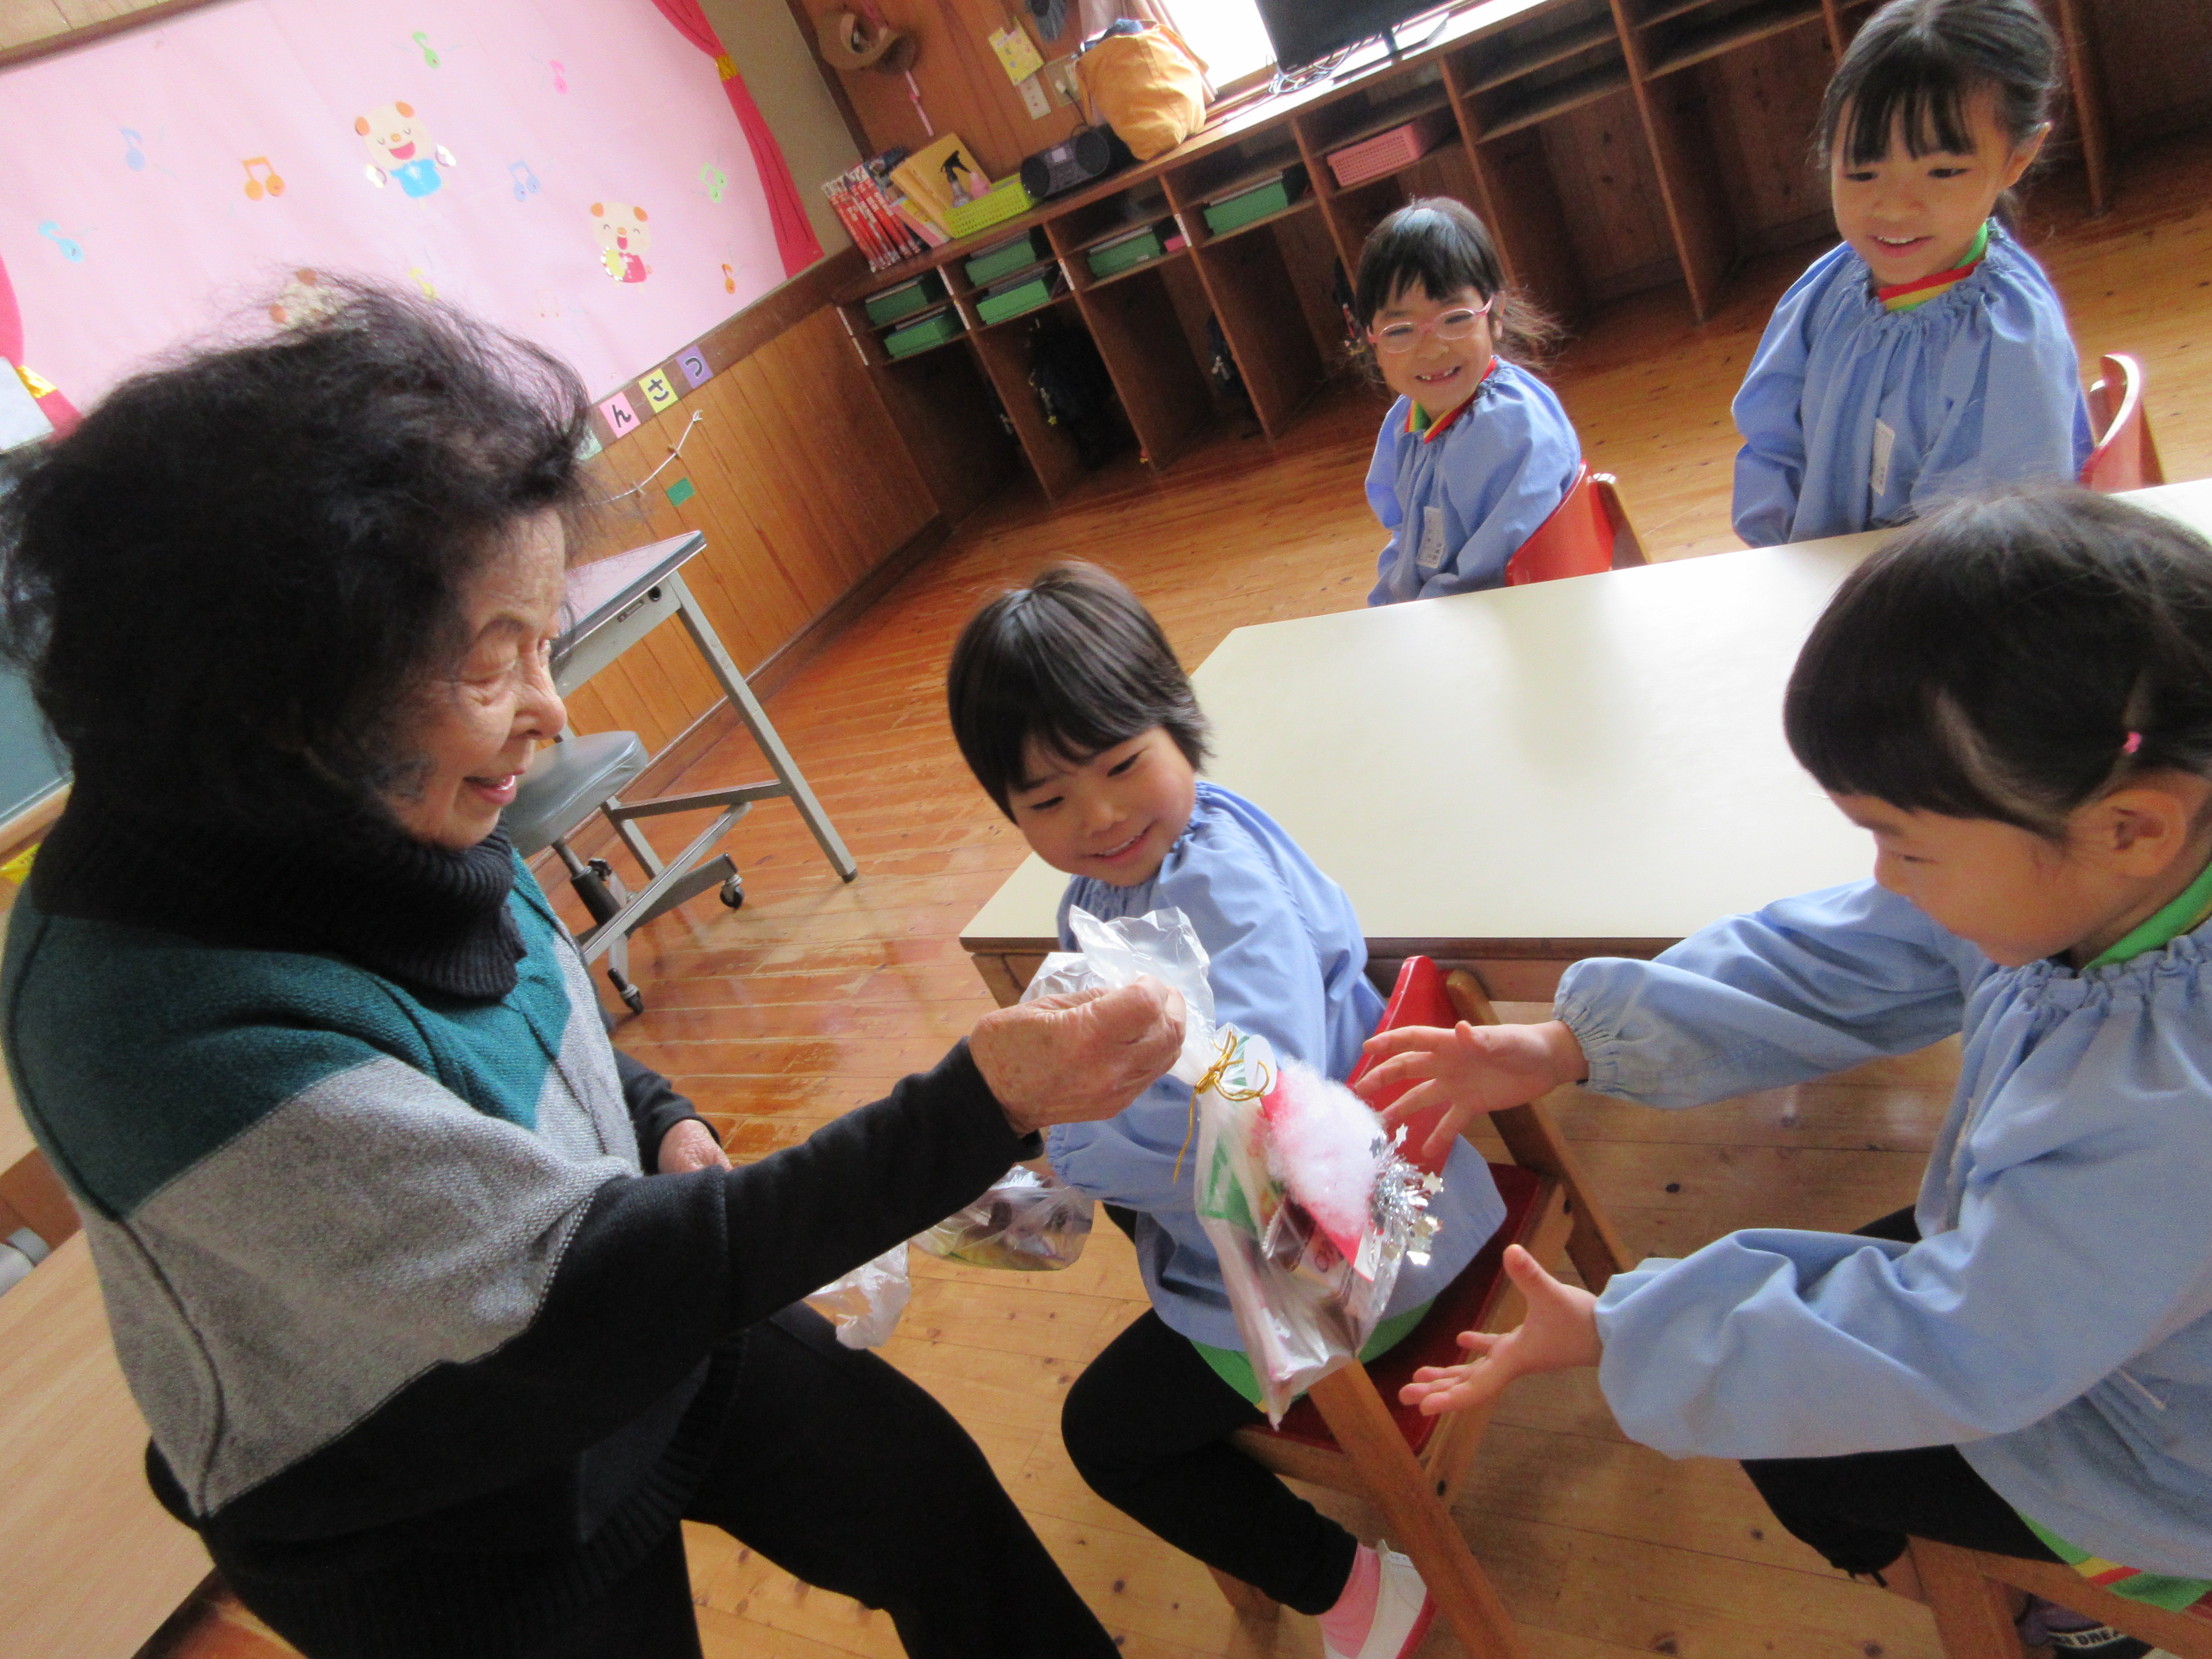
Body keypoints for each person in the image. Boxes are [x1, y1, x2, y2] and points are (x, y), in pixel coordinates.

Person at [0, 288, 1187, 1659]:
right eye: (494, 661)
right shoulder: (148, 1026)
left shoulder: (372, 806)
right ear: (291, 693)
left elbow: (522, 1016)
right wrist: (982, 1104)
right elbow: (571, 1289)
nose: (551, 713)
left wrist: (653, 1112)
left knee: (931, 1505)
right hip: (439, 1515)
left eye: (542, 641)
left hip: (640, 1322)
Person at [1358, 487, 2212, 1659]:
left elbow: (1966, 1343)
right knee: (1802, 1321)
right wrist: (1571, 1041)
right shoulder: (2113, 879)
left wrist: (1624, 1332)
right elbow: (1843, 954)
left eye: (1905, 844)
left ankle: (2087, 1616)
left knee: (1792, 1447)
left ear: (2132, 827)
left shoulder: (2170, 1110)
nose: (1886, 875)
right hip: (2072, 1305)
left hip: (2161, 1446)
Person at [945, 563, 1506, 1659]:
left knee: (1103, 1436)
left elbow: (1259, 1104)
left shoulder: (1215, 888)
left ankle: (1361, 1591)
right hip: (1388, 1199)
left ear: (1177, 722)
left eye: (1121, 765)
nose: (1101, 816)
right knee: (1040, 1189)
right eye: (1048, 801)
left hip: (1355, 1264)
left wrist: (1075, 1149)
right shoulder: (1160, 855)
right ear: (1008, 810)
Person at [1732, 0, 2090, 547]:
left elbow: (1985, 549)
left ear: (2017, 159)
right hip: (1823, 574)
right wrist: (1779, 552)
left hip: (1945, 589)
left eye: (1943, 171)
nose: (1895, 208)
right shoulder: (1827, 288)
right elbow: (1772, 441)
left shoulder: (2007, 341)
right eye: (1862, 173)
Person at [1353, 198, 1580, 605]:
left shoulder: (1510, 427)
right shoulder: (1408, 417)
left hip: (1520, 617)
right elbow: (1407, 540)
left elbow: (1488, 585)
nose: (1432, 349)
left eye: (1456, 318)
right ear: (1372, 340)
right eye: (1400, 330)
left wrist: (1408, 623)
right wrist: (1386, 611)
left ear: (1495, 314)